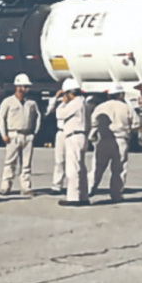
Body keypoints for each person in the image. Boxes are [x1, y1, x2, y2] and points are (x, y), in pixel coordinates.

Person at [90, 83, 139, 201]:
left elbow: (93, 123)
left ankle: (88, 189)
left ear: (109, 95)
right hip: (121, 139)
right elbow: (136, 123)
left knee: (97, 167)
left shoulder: (101, 107)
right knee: (119, 169)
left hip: (104, 140)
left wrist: (93, 137)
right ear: (121, 95)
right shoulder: (127, 107)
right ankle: (116, 194)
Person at [0, 73, 41, 196]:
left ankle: (26, 187)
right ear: (17, 87)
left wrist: (35, 132)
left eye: (27, 87)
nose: (26, 89)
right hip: (13, 135)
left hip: (28, 135)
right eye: (24, 86)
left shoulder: (31, 103)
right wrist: (3, 134)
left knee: (26, 163)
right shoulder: (8, 102)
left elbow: (38, 117)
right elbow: (1, 118)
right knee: (10, 162)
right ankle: (6, 186)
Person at [56, 78, 90, 207]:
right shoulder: (84, 103)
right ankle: (84, 196)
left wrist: (62, 103)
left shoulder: (75, 103)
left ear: (70, 93)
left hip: (74, 136)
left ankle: (73, 197)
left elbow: (60, 114)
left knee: (72, 168)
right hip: (82, 136)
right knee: (81, 168)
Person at [46, 91, 66, 195]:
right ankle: (57, 185)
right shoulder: (59, 103)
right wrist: (56, 96)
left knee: (74, 161)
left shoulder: (77, 103)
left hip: (72, 133)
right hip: (61, 132)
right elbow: (49, 110)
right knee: (59, 161)